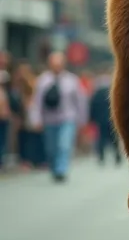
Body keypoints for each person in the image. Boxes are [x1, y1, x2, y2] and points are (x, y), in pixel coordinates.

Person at [29, 52, 88, 182]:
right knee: (51, 147)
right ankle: (54, 167)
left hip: (67, 118)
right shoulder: (43, 80)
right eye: (54, 64)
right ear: (50, 64)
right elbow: (36, 102)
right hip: (49, 120)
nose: (57, 66)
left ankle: (61, 170)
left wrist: (82, 119)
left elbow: (80, 101)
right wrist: (36, 118)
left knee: (64, 144)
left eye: (59, 63)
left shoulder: (72, 80)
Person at [89, 67, 122, 165]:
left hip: (100, 119)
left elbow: (92, 106)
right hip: (112, 118)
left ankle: (101, 156)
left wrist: (92, 118)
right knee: (114, 137)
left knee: (101, 138)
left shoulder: (96, 92)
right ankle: (117, 155)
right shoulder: (113, 89)